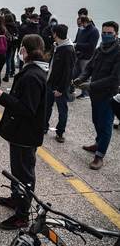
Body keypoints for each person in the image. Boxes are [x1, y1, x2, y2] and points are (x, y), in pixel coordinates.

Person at [0, 34, 48, 230]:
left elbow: (27, 109)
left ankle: (22, 215)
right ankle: (16, 199)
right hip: (23, 133)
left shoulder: (32, 76)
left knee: (24, 175)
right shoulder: (34, 71)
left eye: (21, 48)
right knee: (18, 172)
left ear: (25, 50)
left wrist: (1, 96)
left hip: (25, 135)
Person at [74, 21, 120, 170]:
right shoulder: (100, 48)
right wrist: (81, 78)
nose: (106, 35)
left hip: (108, 95)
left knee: (106, 125)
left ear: (116, 34)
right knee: (96, 121)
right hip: (95, 94)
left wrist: (90, 85)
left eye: (109, 33)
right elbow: (90, 67)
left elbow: (114, 78)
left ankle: (99, 156)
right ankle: (98, 143)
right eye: (104, 32)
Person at [45, 24, 76, 142]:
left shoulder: (68, 50)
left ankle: (60, 132)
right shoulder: (57, 46)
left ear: (55, 34)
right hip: (50, 82)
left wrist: (61, 89)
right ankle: (44, 127)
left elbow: (68, 72)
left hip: (60, 86)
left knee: (62, 109)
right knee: (47, 106)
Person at [72, 15, 100, 99]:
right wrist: (74, 45)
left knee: (85, 74)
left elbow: (91, 46)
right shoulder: (83, 30)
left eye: (82, 23)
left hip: (87, 57)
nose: (81, 25)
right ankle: (72, 88)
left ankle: (86, 93)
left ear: (86, 22)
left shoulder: (94, 31)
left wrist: (77, 45)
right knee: (75, 73)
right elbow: (79, 40)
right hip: (79, 55)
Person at [3, 14, 19, 82]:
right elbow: (17, 34)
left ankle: (7, 74)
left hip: (5, 44)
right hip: (12, 45)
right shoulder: (15, 26)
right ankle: (9, 73)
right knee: (10, 59)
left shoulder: (4, 26)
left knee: (6, 60)